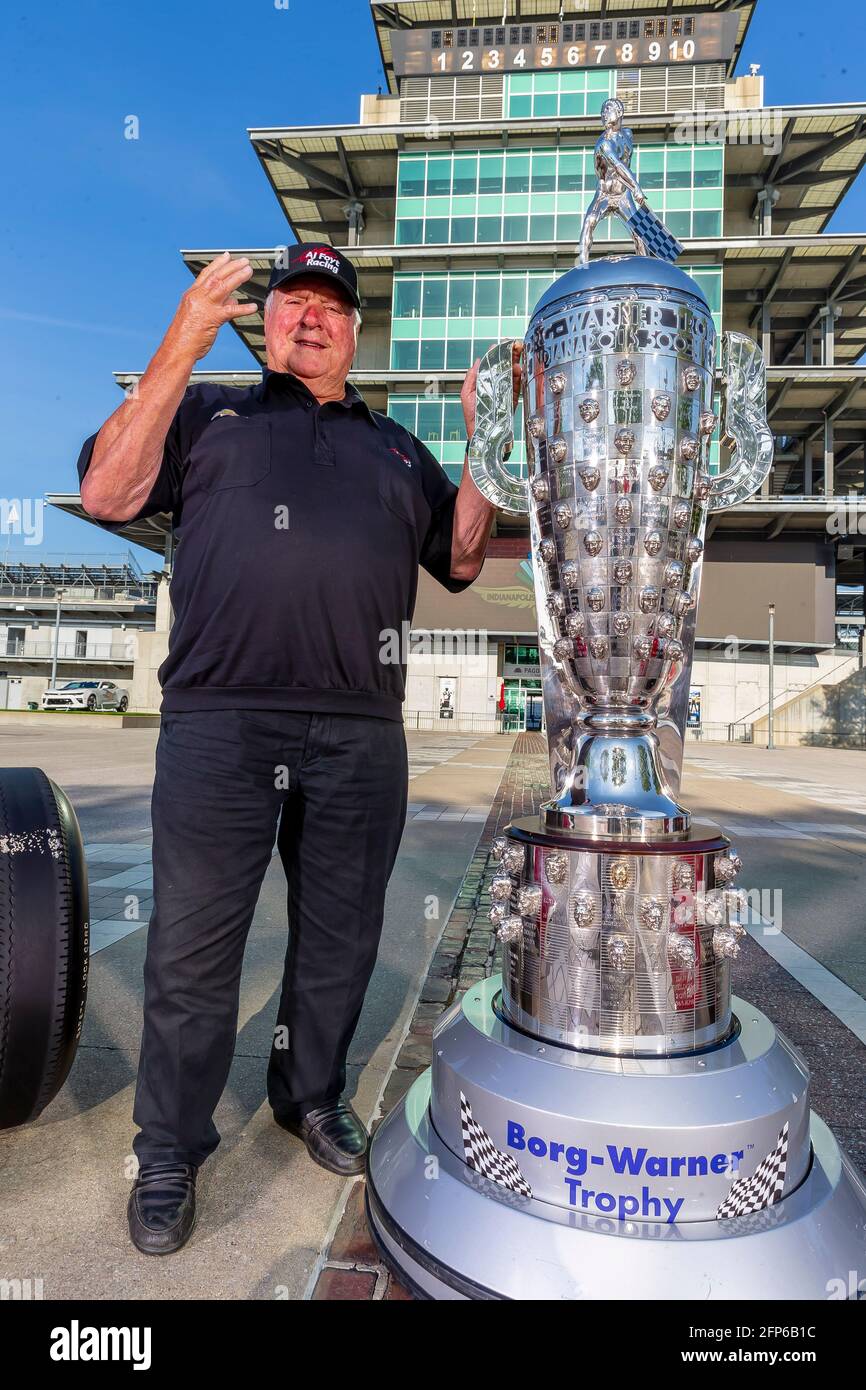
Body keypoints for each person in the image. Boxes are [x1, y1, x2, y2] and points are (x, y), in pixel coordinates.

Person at [78, 242, 516, 1254]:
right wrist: (185, 337)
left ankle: (308, 1097)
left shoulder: (398, 450)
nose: (309, 318)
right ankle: (170, 1150)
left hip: (359, 730)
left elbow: (457, 558)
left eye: (329, 306)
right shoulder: (206, 415)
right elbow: (107, 495)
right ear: (264, 323)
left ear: (355, 333)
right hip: (221, 722)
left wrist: (485, 436)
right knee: (193, 950)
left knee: (339, 940)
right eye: (291, 303)